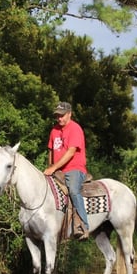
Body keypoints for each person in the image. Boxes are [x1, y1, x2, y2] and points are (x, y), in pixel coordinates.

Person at [44, 101, 90, 240]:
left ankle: (82, 226)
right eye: (57, 116)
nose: (59, 118)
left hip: (74, 169)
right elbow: (51, 151)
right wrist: (50, 167)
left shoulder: (75, 129)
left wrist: (53, 167)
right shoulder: (54, 130)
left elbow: (70, 153)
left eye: (62, 115)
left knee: (73, 191)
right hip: (58, 170)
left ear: (69, 114)